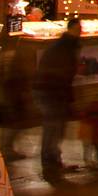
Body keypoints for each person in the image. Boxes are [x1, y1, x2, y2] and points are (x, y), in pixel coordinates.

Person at [35, 21, 80, 176]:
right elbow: (63, 74)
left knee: (57, 126)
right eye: (78, 29)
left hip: (52, 90)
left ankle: (53, 159)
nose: (80, 32)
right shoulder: (64, 48)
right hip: (50, 90)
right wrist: (67, 96)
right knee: (54, 125)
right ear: (72, 29)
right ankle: (49, 160)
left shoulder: (66, 46)